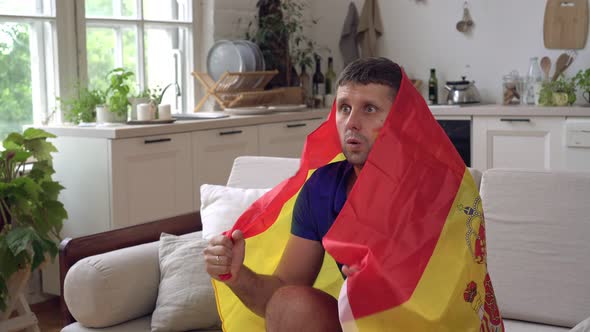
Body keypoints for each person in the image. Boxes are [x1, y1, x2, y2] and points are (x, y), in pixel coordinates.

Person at [203, 57, 402, 332]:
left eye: (369, 109)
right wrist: (237, 276)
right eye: (344, 108)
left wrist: (387, 283)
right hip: (359, 324)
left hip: (421, 321)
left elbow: (451, 287)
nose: (352, 122)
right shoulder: (322, 188)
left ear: (401, 119)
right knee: (289, 304)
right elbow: (282, 293)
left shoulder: (431, 188)